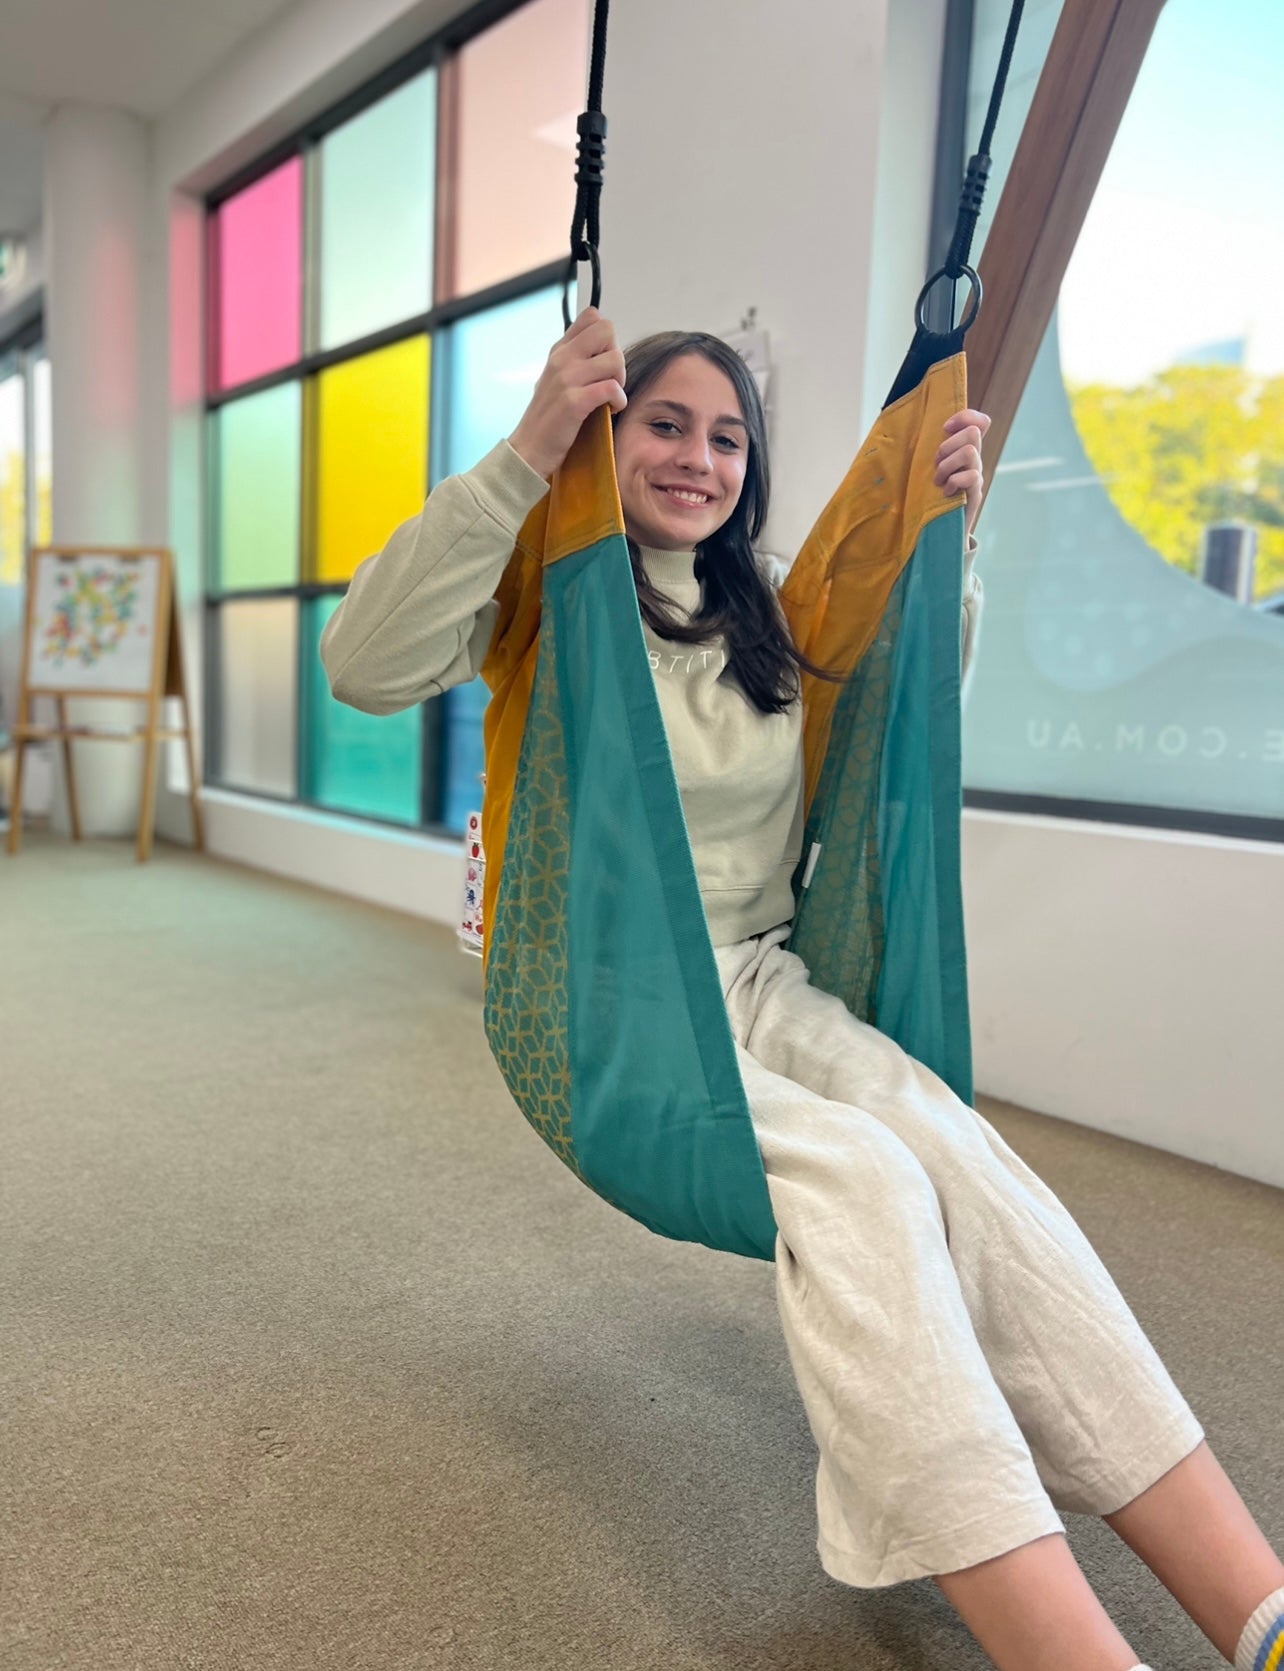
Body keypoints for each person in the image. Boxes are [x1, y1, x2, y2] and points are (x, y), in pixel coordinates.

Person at [321, 309, 1283, 1671]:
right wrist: (530, 451)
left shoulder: (762, 600)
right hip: (609, 1009)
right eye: (663, 423)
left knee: (959, 1151)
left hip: (764, 978)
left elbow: (901, 694)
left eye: (726, 437)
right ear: (608, 429)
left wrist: (950, 533)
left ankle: (1257, 1608)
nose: (696, 457)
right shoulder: (548, 582)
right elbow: (362, 668)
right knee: (865, 1186)